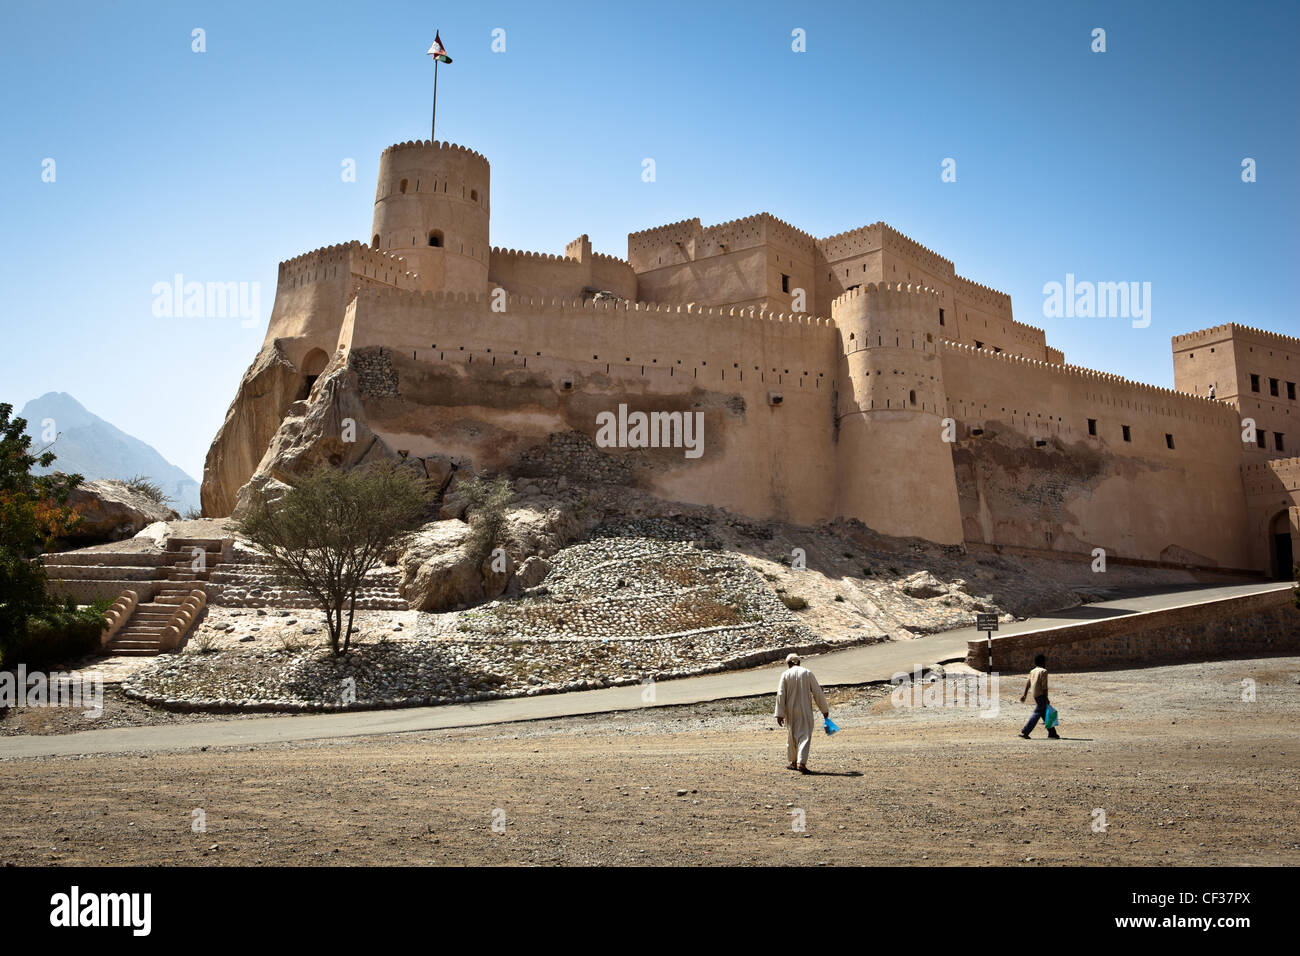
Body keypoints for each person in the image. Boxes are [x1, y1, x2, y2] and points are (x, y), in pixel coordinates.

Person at [775, 653, 830, 773]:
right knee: (804, 734)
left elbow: (780, 694)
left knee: (792, 735)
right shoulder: (807, 673)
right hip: (805, 709)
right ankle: (801, 763)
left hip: (790, 710)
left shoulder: (785, 674)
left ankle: (793, 762)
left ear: (788, 664)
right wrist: (824, 710)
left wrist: (779, 714)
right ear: (799, 662)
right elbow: (817, 692)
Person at [1019, 653, 1059, 739]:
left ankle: (1052, 733)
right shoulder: (1043, 671)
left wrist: (1024, 694)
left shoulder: (1032, 671)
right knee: (1037, 713)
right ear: (1043, 662)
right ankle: (1025, 731)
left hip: (1035, 694)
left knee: (1044, 713)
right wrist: (1046, 698)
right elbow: (1044, 687)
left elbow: (1028, 683)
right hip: (1041, 695)